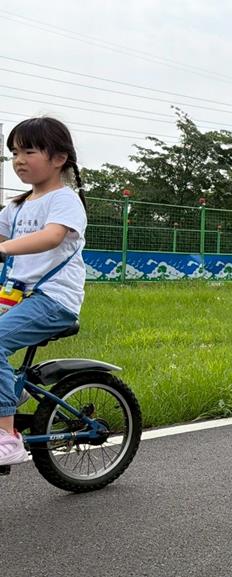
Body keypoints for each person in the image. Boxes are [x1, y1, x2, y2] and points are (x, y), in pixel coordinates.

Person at [0, 117, 87, 467]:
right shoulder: (16, 206)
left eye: (28, 152)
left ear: (58, 158)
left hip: (53, 300)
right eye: (13, 153)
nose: (18, 160)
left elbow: (52, 237)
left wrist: (4, 248)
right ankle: (11, 388)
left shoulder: (64, 200)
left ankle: (7, 438)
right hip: (16, 297)